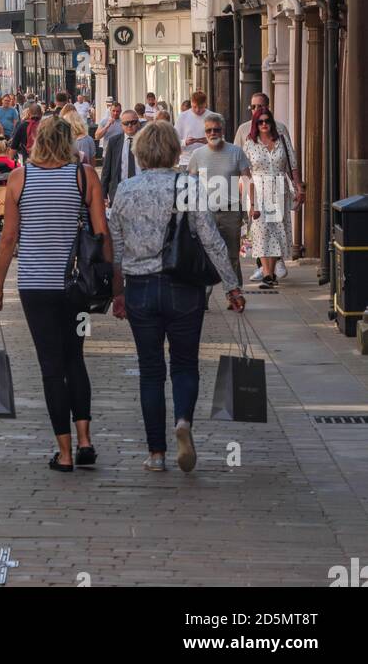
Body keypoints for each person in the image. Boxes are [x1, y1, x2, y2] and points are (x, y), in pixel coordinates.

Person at [109, 121, 245, 473]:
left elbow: (117, 247)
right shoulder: (187, 184)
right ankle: (183, 420)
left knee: (150, 371)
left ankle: (156, 453)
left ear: (139, 152)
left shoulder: (125, 189)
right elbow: (211, 238)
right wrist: (232, 285)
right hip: (184, 286)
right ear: (173, 152)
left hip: (140, 288)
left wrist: (117, 292)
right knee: (184, 364)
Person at [0, 117, 110, 472]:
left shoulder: (19, 178)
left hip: (35, 287)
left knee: (50, 366)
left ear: (37, 141)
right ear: (69, 142)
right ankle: (85, 438)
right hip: (78, 289)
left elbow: (8, 239)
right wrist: (113, 283)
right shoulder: (84, 175)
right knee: (76, 357)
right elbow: (101, 233)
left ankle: (66, 452)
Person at [234, 94, 302, 281]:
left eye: (266, 120)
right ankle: (266, 272)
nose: (263, 123)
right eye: (254, 109)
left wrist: (298, 187)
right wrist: (241, 191)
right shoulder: (247, 137)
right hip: (257, 189)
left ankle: (272, 268)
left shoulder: (281, 135)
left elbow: (292, 164)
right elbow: (241, 167)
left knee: (277, 230)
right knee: (260, 231)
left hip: (279, 188)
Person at [187, 111, 251, 287]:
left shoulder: (236, 152)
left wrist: (251, 205)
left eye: (216, 130)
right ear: (205, 132)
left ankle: (234, 292)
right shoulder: (197, 155)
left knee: (231, 255)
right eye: (209, 130)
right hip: (205, 212)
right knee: (205, 254)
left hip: (231, 211)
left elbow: (247, 178)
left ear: (222, 131)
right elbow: (191, 183)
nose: (213, 133)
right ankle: (204, 296)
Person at [100, 110, 141, 205]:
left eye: (133, 122)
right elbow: (106, 170)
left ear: (138, 123)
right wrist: (103, 195)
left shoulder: (146, 141)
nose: (129, 125)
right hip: (119, 193)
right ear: (121, 125)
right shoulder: (113, 142)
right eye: (126, 123)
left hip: (142, 192)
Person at [175, 91, 209, 155]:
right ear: (191, 103)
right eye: (194, 107)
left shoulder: (212, 116)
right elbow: (173, 140)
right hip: (187, 160)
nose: (197, 110)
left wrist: (210, 141)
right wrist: (185, 142)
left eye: (201, 107)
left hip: (207, 158)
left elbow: (221, 140)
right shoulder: (182, 117)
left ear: (205, 104)